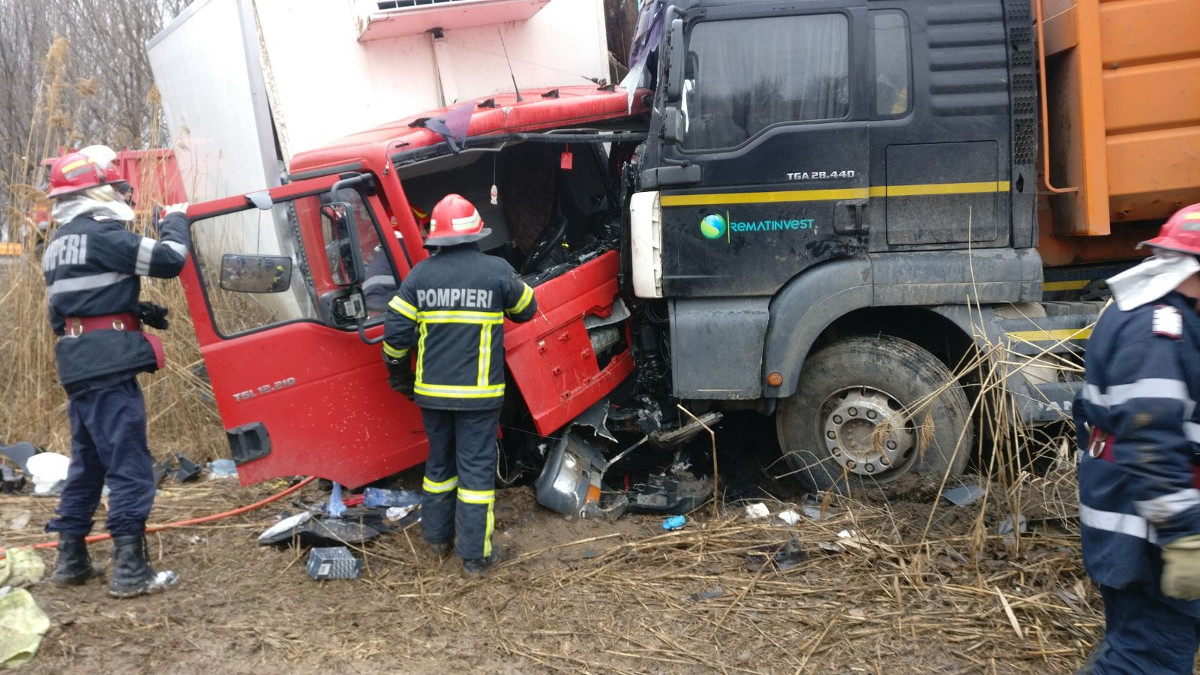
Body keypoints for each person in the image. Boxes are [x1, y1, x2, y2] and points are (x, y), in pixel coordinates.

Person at [41, 145, 190, 598]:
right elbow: (170, 259)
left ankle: (71, 559)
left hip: (78, 364)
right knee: (128, 463)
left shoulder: (57, 245)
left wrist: (132, 310)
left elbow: (67, 312)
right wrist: (176, 219)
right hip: (108, 367)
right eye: (116, 186)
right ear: (97, 192)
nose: (123, 193)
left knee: (87, 464)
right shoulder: (103, 235)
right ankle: (130, 570)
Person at [381, 194, 537, 574]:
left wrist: (400, 376)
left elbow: (395, 334)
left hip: (432, 396)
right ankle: (474, 556)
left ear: (436, 237)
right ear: (475, 233)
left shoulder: (420, 276)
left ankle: (437, 541)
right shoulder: (496, 271)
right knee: (475, 473)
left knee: (439, 465)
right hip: (478, 398)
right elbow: (527, 310)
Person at [1076, 202, 1200, 672]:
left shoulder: (1156, 313)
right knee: (1147, 658)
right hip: (1149, 535)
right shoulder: (1157, 331)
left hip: (1143, 519)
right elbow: (1152, 445)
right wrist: (1184, 538)